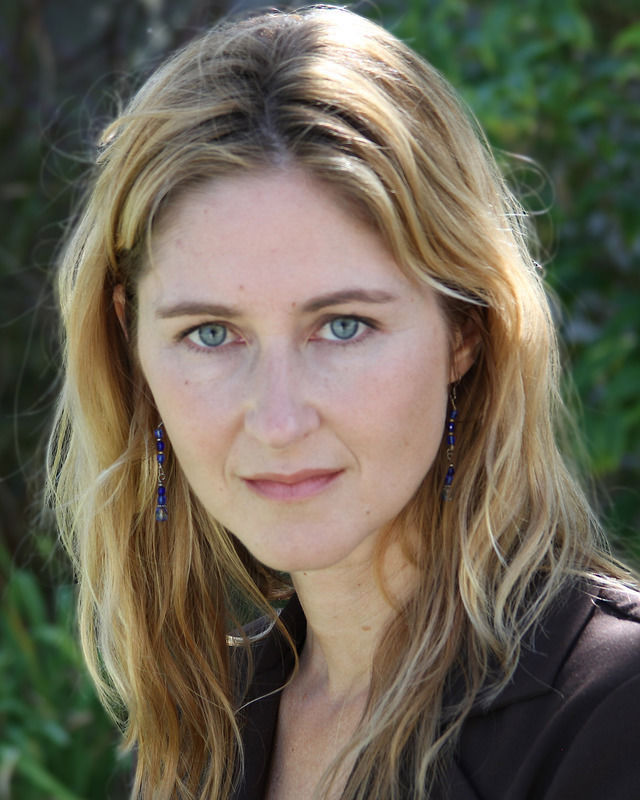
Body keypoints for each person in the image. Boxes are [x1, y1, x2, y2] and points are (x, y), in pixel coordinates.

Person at [46, 6, 640, 800]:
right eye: (211, 334)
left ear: (465, 330)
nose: (279, 421)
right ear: (131, 342)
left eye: (343, 326)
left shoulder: (614, 714)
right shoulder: (202, 735)